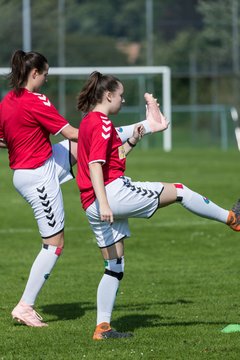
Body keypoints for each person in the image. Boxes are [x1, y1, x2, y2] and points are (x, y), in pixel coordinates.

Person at [0, 50, 162, 328]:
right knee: (54, 244)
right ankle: (25, 306)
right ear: (34, 73)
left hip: (43, 163)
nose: (47, 81)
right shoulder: (36, 100)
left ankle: (148, 125)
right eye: (45, 75)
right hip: (39, 176)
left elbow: (3, 141)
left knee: (86, 141)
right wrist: (104, 134)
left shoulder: (7, 101)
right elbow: (76, 133)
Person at [76, 71, 240, 340]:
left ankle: (102, 328)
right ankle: (232, 218)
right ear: (108, 96)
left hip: (91, 203)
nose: (123, 100)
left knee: (114, 266)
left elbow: (109, 159)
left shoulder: (87, 122)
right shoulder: (103, 123)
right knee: (180, 191)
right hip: (110, 195)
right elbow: (95, 165)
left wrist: (131, 141)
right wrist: (106, 203)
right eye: (120, 95)